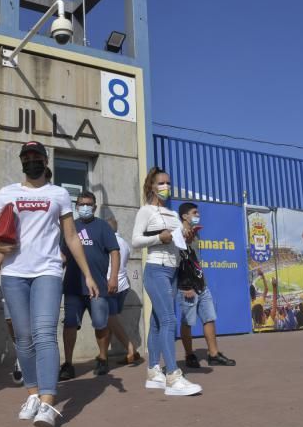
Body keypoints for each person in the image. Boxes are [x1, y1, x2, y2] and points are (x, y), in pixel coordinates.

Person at [0, 141, 100, 427]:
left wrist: (88, 274)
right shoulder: (8, 193)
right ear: (22, 161)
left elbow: (71, 238)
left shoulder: (58, 194)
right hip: (14, 273)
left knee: (45, 333)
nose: (31, 160)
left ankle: (48, 402)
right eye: (26, 157)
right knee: (23, 337)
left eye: (36, 156)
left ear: (46, 161)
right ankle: (32, 395)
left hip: (47, 271)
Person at [132, 167, 202, 396]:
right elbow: (135, 241)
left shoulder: (173, 214)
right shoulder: (146, 211)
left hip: (173, 270)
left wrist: (188, 235)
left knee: (158, 321)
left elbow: (180, 243)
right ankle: (172, 375)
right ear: (151, 186)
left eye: (168, 183)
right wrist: (158, 237)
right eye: (161, 183)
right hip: (156, 269)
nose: (165, 187)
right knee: (169, 319)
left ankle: (153, 370)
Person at [59, 191, 120, 380]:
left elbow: (115, 252)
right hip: (73, 287)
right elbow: (62, 254)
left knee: (101, 324)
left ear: (94, 207)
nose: (84, 207)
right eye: (81, 204)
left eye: (88, 204)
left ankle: (102, 358)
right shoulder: (70, 227)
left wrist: (114, 277)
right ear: (76, 206)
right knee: (69, 324)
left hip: (99, 288)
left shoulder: (103, 227)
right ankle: (68, 364)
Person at [175, 203, 235, 367]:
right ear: (185, 216)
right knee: (187, 321)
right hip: (187, 286)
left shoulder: (196, 235)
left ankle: (213, 354)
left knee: (209, 318)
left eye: (198, 212)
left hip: (202, 284)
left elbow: (195, 260)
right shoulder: (177, 234)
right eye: (194, 213)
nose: (197, 215)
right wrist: (186, 286)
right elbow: (178, 262)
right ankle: (189, 355)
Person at [105, 217, 141, 365]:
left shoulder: (109, 243)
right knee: (110, 321)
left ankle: (130, 347)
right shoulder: (125, 243)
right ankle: (103, 355)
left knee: (109, 319)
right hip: (123, 286)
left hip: (110, 285)